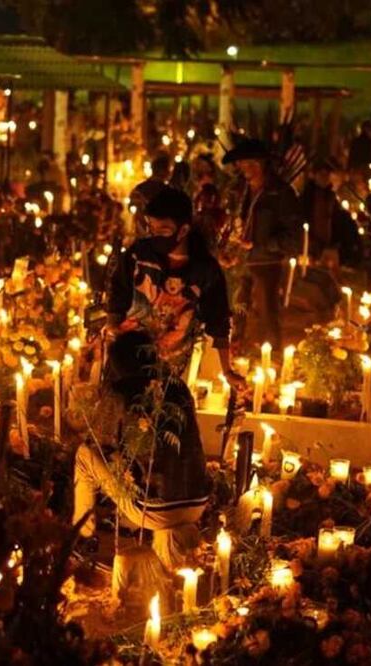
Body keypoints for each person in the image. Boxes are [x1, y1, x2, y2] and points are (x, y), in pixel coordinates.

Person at [72, 330, 209, 569]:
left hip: (154, 510)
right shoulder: (178, 388)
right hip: (199, 502)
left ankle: (81, 535)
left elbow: (97, 440)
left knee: (84, 457)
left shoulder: (120, 392)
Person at [106, 187, 241, 384]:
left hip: (170, 366)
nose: (156, 236)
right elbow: (118, 291)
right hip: (126, 358)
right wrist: (112, 330)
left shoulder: (205, 270)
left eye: (164, 230)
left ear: (183, 229)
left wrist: (227, 371)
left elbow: (218, 319)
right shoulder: (139, 254)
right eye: (152, 229)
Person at [224, 139, 301, 349]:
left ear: (263, 164)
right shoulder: (240, 191)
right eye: (242, 165)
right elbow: (236, 222)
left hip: (267, 266)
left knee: (267, 315)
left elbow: (293, 240)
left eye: (251, 165)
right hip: (241, 264)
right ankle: (235, 355)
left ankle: (271, 360)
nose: (246, 170)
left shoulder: (281, 194)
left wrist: (259, 244)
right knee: (237, 312)